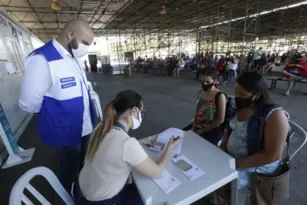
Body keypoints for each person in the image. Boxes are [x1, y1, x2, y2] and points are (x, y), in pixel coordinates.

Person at [19, 19, 95, 192]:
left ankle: (81, 193)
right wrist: (55, 113)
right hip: (65, 130)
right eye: (85, 43)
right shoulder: (41, 59)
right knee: (68, 169)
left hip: (86, 126)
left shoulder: (73, 58)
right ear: (70, 35)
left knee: (83, 165)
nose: (86, 48)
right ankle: (66, 195)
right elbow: (29, 103)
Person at [75, 90, 180, 204]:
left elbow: (115, 148)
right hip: (102, 202)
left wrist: (142, 141)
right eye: (142, 112)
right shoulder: (126, 143)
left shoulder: (102, 126)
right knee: (149, 196)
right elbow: (157, 172)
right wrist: (169, 148)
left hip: (81, 193)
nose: (141, 115)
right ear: (134, 111)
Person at [213, 72, 289, 205]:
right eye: (236, 92)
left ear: (258, 95)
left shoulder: (274, 115)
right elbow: (229, 131)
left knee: (221, 179)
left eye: (242, 95)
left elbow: (273, 155)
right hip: (234, 160)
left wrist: (236, 164)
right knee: (210, 168)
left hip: (258, 166)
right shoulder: (241, 107)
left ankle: (225, 199)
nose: (237, 97)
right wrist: (222, 151)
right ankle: (222, 200)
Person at [183, 68, 226, 145]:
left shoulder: (220, 96)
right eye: (202, 81)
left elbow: (220, 120)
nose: (204, 84)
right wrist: (195, 121)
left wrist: (202, 131)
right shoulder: (200, 91)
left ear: (215, 81)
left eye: (207, 82)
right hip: (198, 125)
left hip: (211, 129)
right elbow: (199, 109)